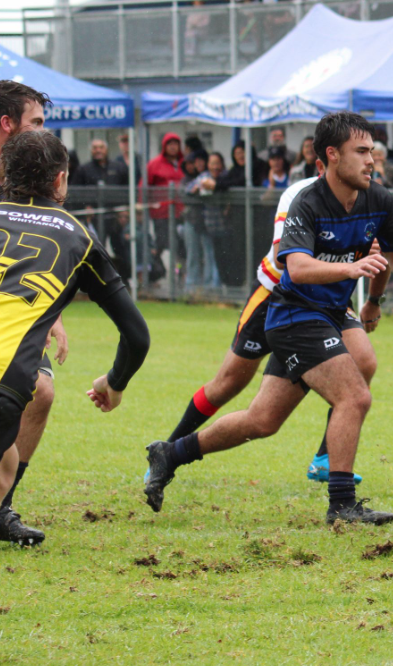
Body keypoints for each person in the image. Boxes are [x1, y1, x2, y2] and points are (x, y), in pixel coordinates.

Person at [145, 111, 393, 525]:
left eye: (372, 151)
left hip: (329, 313)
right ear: (332, 156)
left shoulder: (378, 198)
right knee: (353, 395)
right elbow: (297, 268)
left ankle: (170, 453)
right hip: (293, 314)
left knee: (262, 421)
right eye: (361, 151)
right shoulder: (306, 201)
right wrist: (350, 270)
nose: (371, 160)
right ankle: (341, 503)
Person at [0, 130, 150, 543]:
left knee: (7, 463)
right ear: (61, 180)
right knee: (4, 472)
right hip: (5, 381)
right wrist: (112, 383)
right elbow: (136, 335)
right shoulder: (77, 236)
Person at [0, 81, 66, 546]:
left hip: (16, 316)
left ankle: (2, 508)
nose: (44, 132)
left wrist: (53, 313)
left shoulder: (28, 173)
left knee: (40, 393)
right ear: (7, 125)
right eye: (36, 122)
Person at [182, 152, 227, 291]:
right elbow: (187, 189)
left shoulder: (225, 177)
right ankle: (206, 287)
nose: (215, 166)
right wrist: (197, 188)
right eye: (212, 163)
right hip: (207, 225)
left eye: (217, 163)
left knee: (217, 258)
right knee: (208, 255)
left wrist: (215, 186)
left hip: (222, 226)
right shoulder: (203, 177)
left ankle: (215, 287)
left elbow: (227, 186)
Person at [144, 132, 184, 284]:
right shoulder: (155, 164)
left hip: (181, 213)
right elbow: (145, 187)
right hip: (161, 214)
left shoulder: (183, 163)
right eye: (170, 144)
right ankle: (155, 273)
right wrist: (144, 207)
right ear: (164, 146)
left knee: (180, 247)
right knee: (161, 245)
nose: (173, 147)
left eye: (176, 143)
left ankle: (178, 273)